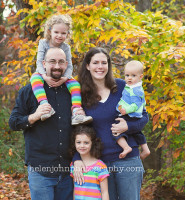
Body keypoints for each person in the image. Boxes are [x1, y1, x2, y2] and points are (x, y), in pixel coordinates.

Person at [73, 47, 149, 200]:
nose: (100, 67)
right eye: (95, 63)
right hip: (99, 163)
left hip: (128, 161)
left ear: (109, 65)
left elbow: (143, 116)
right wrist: (76, 159)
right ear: (87, 66)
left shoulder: (123, 87)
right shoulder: (79, 94)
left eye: (104, 62)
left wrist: (128, 126)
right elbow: (75, 131)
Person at [9, 47, 80, 200]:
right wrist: (34, 116)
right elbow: (13, 122)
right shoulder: (29, 91)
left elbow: (82, 129)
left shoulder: (73, 92)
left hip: (68, 171)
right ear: (44, 63)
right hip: (40, 170)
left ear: (67, 64)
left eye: (61, 62)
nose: (57, 66)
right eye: (52, 61)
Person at [30, 14, 92, 125]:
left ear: (68, 34)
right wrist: (44, 76)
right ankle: (44, 105)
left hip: (62, 75)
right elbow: (39, 62)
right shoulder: (43, 43)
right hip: (43, 72)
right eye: (56, 32)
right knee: (34, 79)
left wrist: (64, 79)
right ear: (50, 31)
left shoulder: (66, 47)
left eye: (63, 33)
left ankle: (77, 111)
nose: (60, 36)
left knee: (75, 85)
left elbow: (69, 66)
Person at [114, 60, 151, 159]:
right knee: (137, 132)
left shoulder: (136, 90)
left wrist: (126, 110)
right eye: (127, 75)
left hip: (131, 113)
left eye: (133, 76)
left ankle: (126, 147)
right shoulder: (131, 86)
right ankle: (146, 149)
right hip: (133, 114)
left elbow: (136, 104)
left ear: (140, 77)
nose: (129, 78)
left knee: (116, 131)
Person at [70, 125, 109, 200]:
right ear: (74, 143)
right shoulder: (73, 166)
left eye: (86, 143)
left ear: (92, 143)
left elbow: (105, 193)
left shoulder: (100, 166)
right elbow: (75, 189)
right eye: (78, 142)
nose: (82, 146)